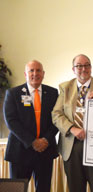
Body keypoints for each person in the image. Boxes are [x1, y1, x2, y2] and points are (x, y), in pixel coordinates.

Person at [52, 54, 93, 192]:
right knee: (76, 188)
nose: (84, 68)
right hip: (72, 146)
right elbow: (56, 114)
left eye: (87, 65)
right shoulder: (66, 87)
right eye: (79, 66)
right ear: (73, 69)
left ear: (91, 67)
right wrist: (72, 128)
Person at [3, 60, 58, 192]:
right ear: (25, 74)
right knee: (17, 189)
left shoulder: (52, 93)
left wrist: (45, 140)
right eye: (31, 70)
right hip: (20, 151)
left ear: (43, 74)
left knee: (44, 189)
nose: (35, 73)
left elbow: (57, 119)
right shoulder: (13, 93)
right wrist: (32, 142)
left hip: (45, 151)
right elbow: (11, 121)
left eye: (38, 70)